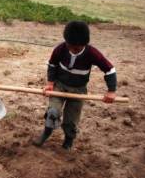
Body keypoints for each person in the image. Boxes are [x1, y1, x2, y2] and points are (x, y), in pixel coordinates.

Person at [33, 21, 117, 150]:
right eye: (70, 46)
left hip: (78, 90)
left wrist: (111, 91)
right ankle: (46, 132)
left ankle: (68, 140)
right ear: (66, 42)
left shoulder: (92, 53)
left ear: (85, 43)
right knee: (53, 111)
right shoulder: (60, 49)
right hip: (59, 86)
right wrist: (50, 83)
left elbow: (109, 70)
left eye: (77, 48)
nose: (73, 50)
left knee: (71, 121)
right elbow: (52, 65)